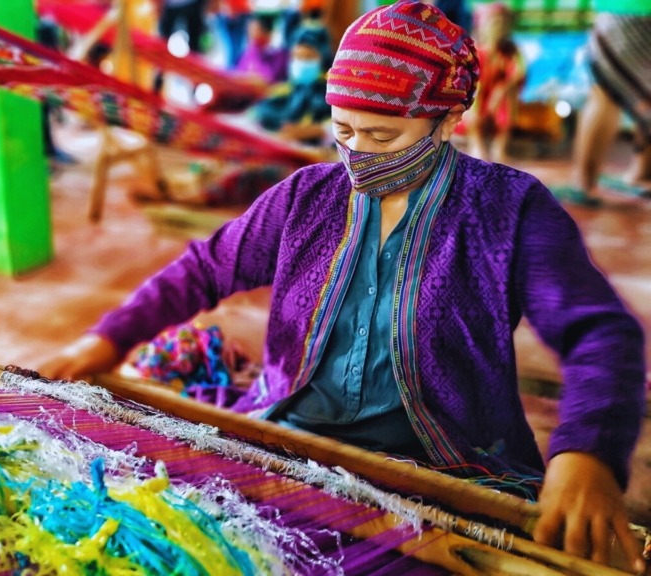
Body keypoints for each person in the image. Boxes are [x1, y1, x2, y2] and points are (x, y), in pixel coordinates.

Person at [41, 1, 647, 570]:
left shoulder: (508, 211)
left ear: (450, 120)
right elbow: (203, 268)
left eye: (383, 137)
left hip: (445, 471)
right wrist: (105, 339)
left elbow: (600, 334)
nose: (358, 153)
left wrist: (587, 452)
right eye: (343, 131)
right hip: (286, 444)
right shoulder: (307, 198)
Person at [554, 0, 651, 205]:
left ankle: (584, 185)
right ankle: (641, 175)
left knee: (604, 92)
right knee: (646, 91)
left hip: (627, 11)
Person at [462, 2, 525, 163]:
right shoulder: (475, 50)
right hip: (475, 99)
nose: (499, 26)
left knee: (507, 98)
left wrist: (500, 91)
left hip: (497, 102)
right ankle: (476, 143)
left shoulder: (510, 51)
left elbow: (518, 73)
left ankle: (500, 146)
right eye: (494, 22)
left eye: (503, 22)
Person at [255, 26, 331, 143]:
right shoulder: (289, 88)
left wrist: (312, 131)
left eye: (308, 57)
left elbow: (338, 127)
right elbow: (263, 109)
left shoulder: (331, 94)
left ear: (323, 59)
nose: (301, 62)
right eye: (296, 56)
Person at [234, 14, 288, 84]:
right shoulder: (247, 54)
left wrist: (255, 52)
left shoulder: (280, 55)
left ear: (269, 33)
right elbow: (238, 75)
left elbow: (268, 78)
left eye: (255, 30)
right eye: (249, 30)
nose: (251, 34)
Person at [212, 0, 252, 69]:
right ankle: (230, 73)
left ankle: (233, 73)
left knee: (239, 50)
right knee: (230, 51)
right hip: (226, 15)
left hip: (242, 13)